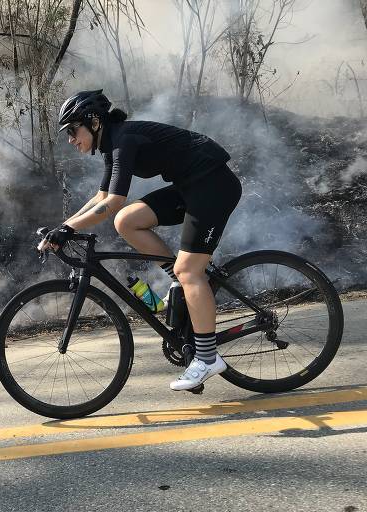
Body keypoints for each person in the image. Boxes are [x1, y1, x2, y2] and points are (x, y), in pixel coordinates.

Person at [40, 89, 242, 391]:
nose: (70, 139)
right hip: (190, 186)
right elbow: (102, 197)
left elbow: (114, 201)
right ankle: (182, 283)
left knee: (190, 271)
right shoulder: (111, 144)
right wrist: (64, 226)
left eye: (72, 130)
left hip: (214, 185)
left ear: (94, 122)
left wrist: (68, 230)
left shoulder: (124, 141)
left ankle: (207, 358)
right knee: (127, 221)